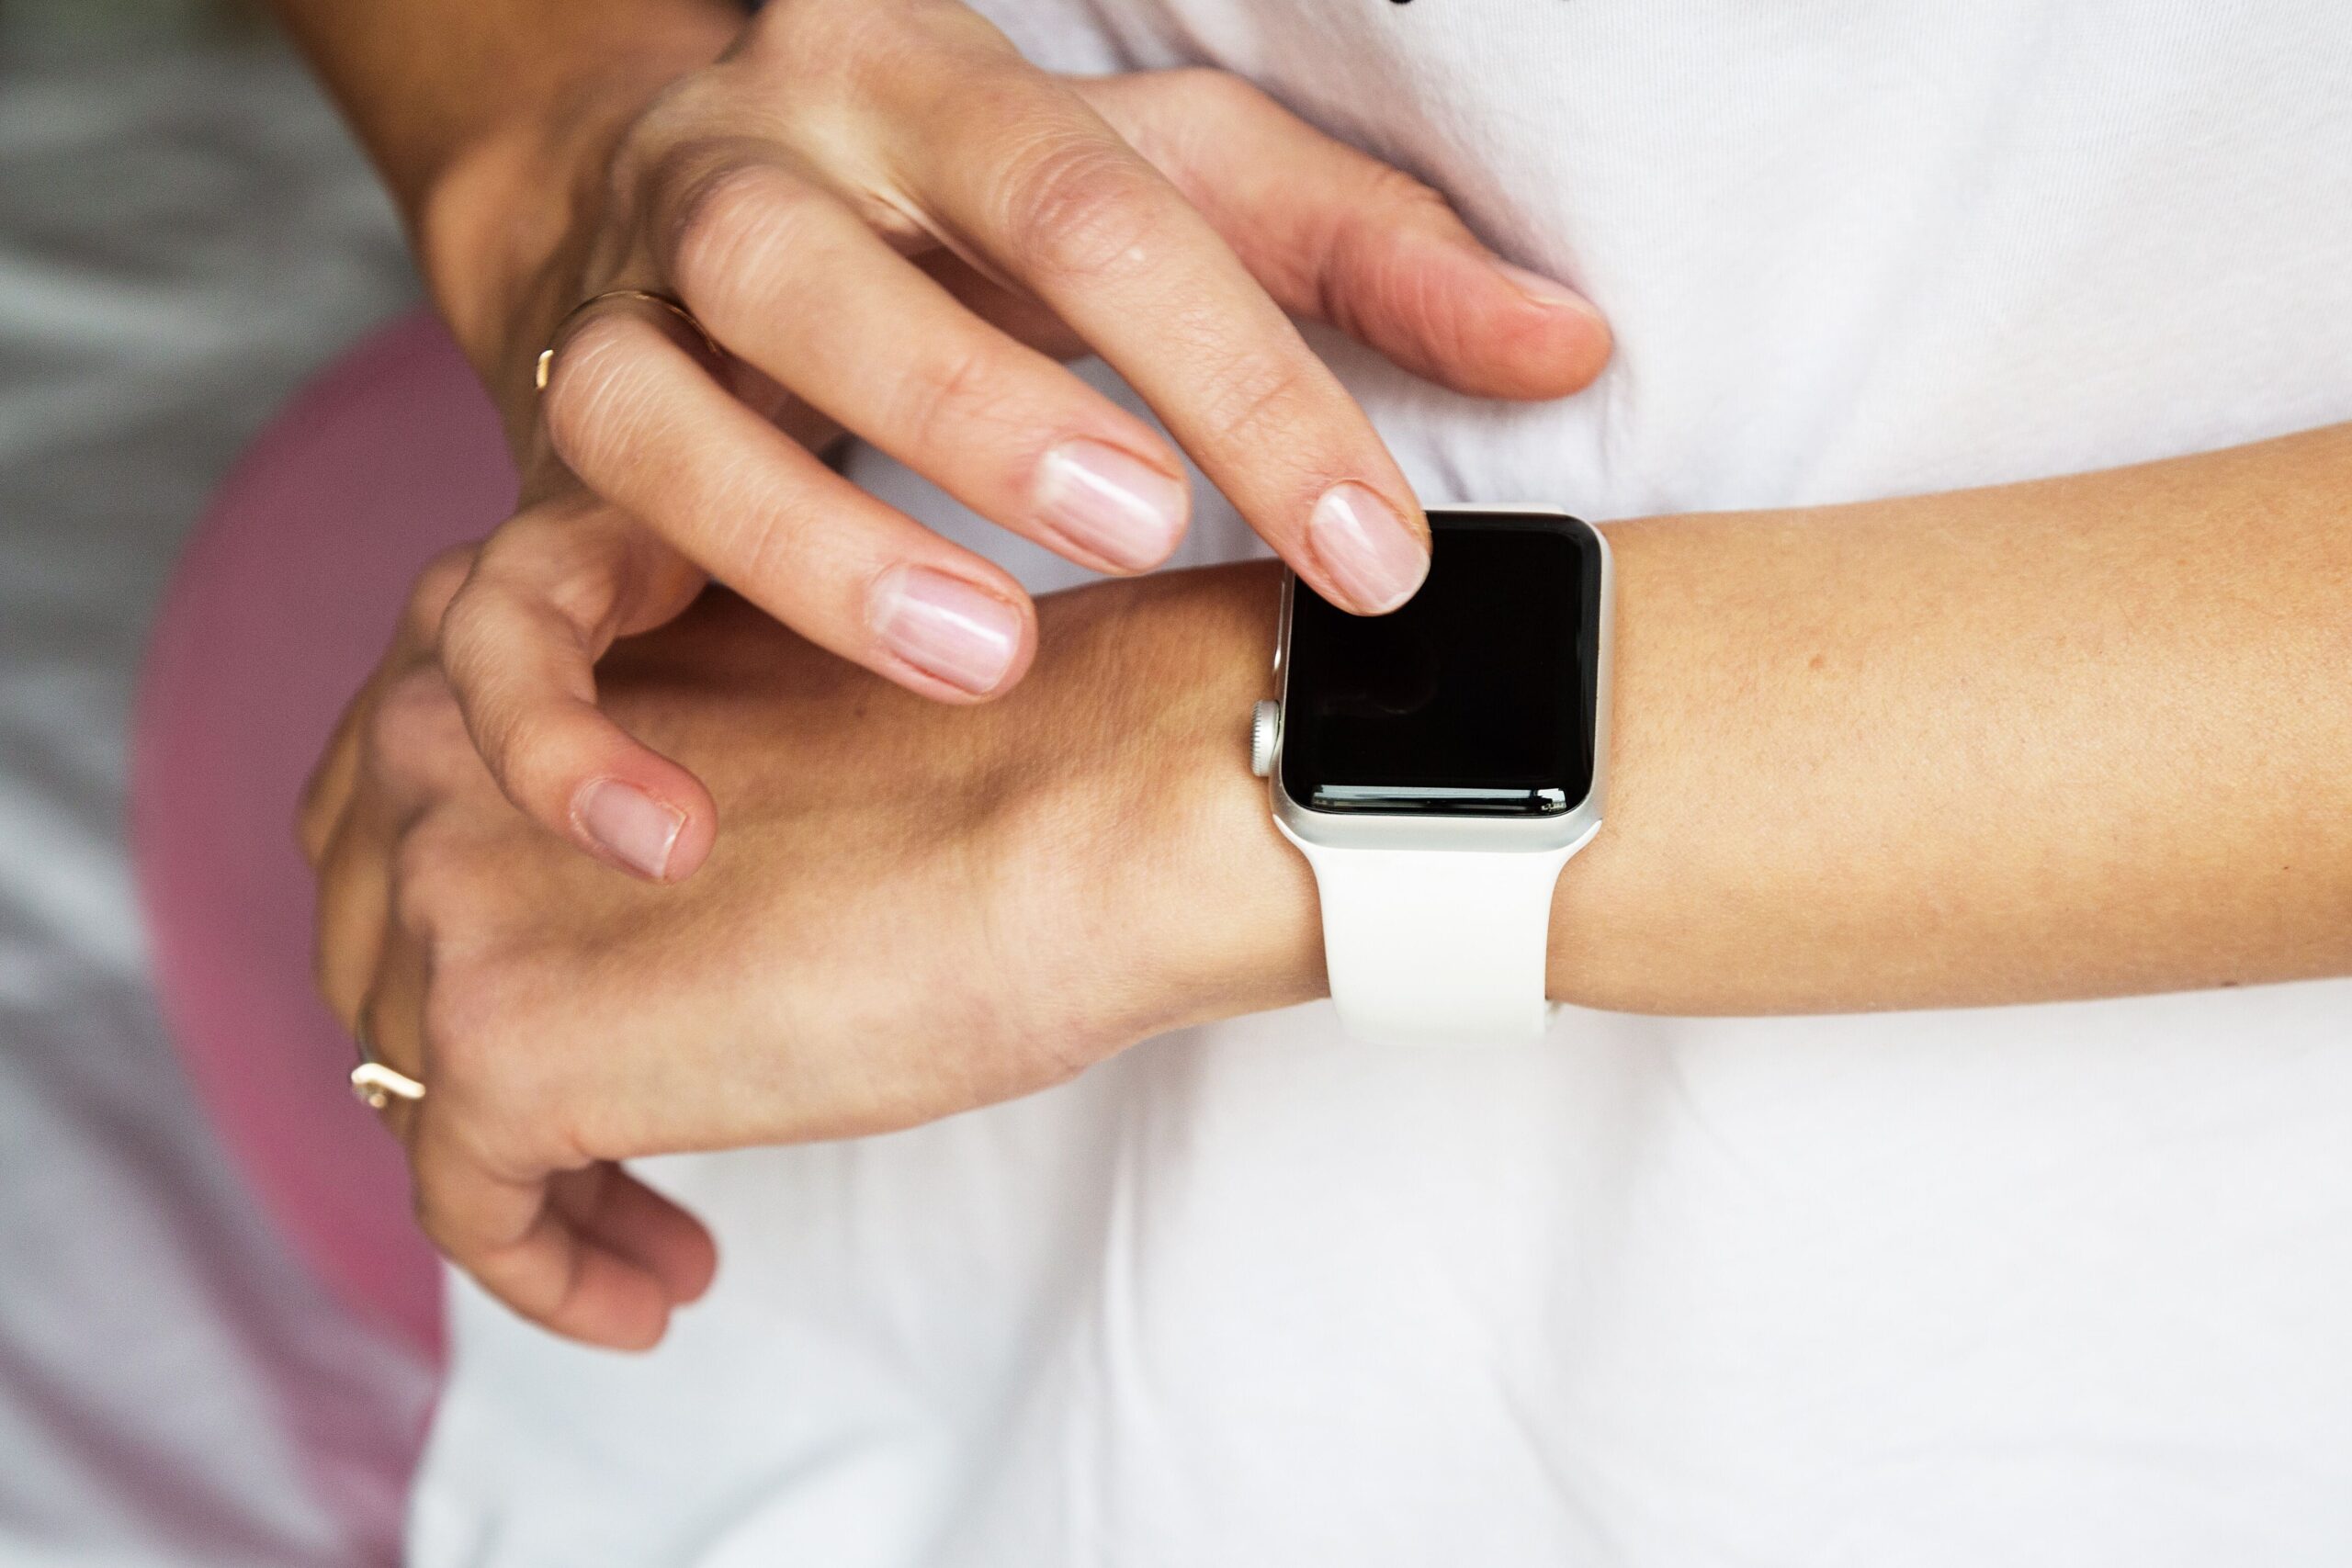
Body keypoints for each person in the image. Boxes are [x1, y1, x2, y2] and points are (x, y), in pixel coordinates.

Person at [272, 0, 2352, 1559]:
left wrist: (1131, 787)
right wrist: (566, 164)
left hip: (2072, 1343)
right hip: (838, 1074)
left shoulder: (1044, 822)